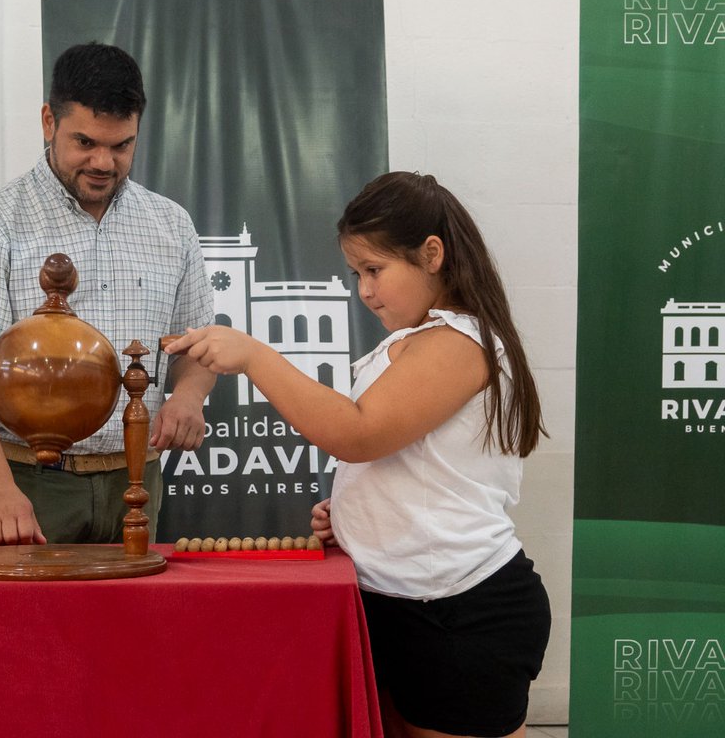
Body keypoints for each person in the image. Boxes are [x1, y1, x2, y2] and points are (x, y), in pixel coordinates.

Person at [166, 172, 550, 738]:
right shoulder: (416, 341)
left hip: (459, 609)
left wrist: (253, 356)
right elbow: (402, 459)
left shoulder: (458, 341)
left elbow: (358, 433)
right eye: (356, 274)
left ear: (432, 255)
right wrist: (355, 514)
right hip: (401, 604)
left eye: (375, 270)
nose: (364, 291)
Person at [0, 42, 216, 546]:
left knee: (134, 626)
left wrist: (190, 395)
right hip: (29, 486)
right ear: (48, 121)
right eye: (85, 142)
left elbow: (197, 344)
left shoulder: (171, 224)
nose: (104, 161)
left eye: (122, 145)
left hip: (138, 479)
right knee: (27, 627)